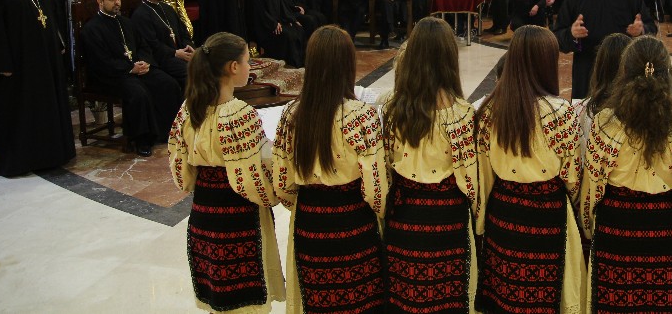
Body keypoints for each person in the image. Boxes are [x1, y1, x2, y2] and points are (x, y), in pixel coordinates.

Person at [581, 36, 672, 314]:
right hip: (665, 232)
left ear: (624, 72)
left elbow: (593, 187)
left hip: (616, 231)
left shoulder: (606, 123)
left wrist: (588, 224)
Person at [272, 27, 388, 313]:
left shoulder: (292, 114)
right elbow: (376, 189)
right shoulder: (361, 116)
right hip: (355, 223)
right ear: (348, 65)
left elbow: (282, 182)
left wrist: (304, 203)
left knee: (318, 301)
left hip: (310, 223)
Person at [168, 32, 286, 313]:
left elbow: (178, 166)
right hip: (239, 216)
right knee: (244, 302)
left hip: (203, 213)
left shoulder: (188, 108)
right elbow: (256, 175)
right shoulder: (239, 115)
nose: (250, 67)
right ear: (233, 67)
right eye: (248, 61)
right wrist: (280, 191)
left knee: (217, 298)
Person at [476, 25, 585, 314]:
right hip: (548, 214)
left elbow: (483, 176)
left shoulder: (489, 110)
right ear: (546, 63)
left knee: (505, 293)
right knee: (547, 294)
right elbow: (572, 176)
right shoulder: (560, 112)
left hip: (503, 212)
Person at [381, 17, 479, 312]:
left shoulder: (392, 108)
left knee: (406, 297)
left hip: (404, 219)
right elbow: (471, 182)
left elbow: (385, 168)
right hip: (448, 222)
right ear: (450, 57)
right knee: (448, 299)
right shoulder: (462, 113)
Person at [0, 0, 74, 176]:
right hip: (17, 61)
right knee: (20, 111)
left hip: (43, 56)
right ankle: (21, 160)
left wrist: (57, 41)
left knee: (46, 106)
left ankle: (50, 155)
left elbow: (48, 15)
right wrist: (0, 63)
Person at [81, 0, 182, 157]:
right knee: (138, 93)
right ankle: (141, 140)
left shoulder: (126, 23)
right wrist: (130, 68)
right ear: (100, 1)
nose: (117, 3)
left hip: (136, 68)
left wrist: (145, 63)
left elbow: (143, 46)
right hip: (110, 75)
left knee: (167, 83)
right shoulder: (91, 29)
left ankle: (167, 132)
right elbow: (101, 61)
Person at [554, 0, 651, 100]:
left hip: (622, 69)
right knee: (585, 121)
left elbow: (649, 27)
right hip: (586, 70)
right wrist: (571, 34)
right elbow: (557, 36)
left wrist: (641, 31)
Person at [131, 0, 194, 90]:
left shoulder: (167, 9)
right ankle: (189, 106)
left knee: (205, 64)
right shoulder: (140, 15)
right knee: (190, 72)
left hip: (179, 54)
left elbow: (183, 32)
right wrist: (175, 53)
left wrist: (189, 47)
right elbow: (152, 44)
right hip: (161, 59)